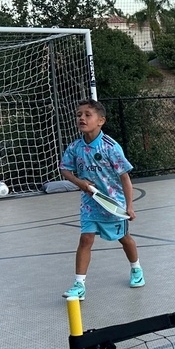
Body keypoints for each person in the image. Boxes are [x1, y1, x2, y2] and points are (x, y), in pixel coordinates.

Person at [59, 99, 143, 300]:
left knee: (124, 238)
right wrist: (81, 183)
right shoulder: (75, 147)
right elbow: (64, 169)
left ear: (101, 121)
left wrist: (129, 206)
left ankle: (136, 269)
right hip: (90, 204)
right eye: (79, 114)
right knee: (85, 238)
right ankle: (79, 285)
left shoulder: (111, 147)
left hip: (112, 203)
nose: (82, 118)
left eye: (88, 114)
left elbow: (125, 177)